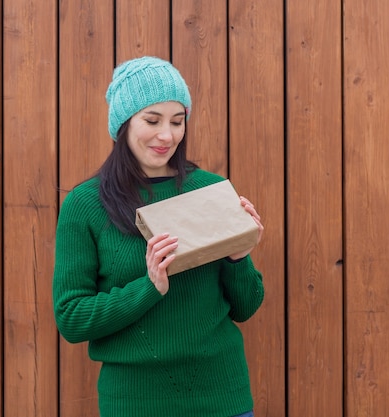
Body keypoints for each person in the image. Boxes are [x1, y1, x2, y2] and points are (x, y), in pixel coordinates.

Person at [53, 56, 264, 417]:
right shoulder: (85, 204)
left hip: (223, 400)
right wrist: (149, 288)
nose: (167, 135)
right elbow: (71, 318)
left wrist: (237, 256)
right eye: (152, 120)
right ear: (123, 123)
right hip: (135, 404)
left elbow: (246, 307)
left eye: (177, 121)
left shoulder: (208, 190)